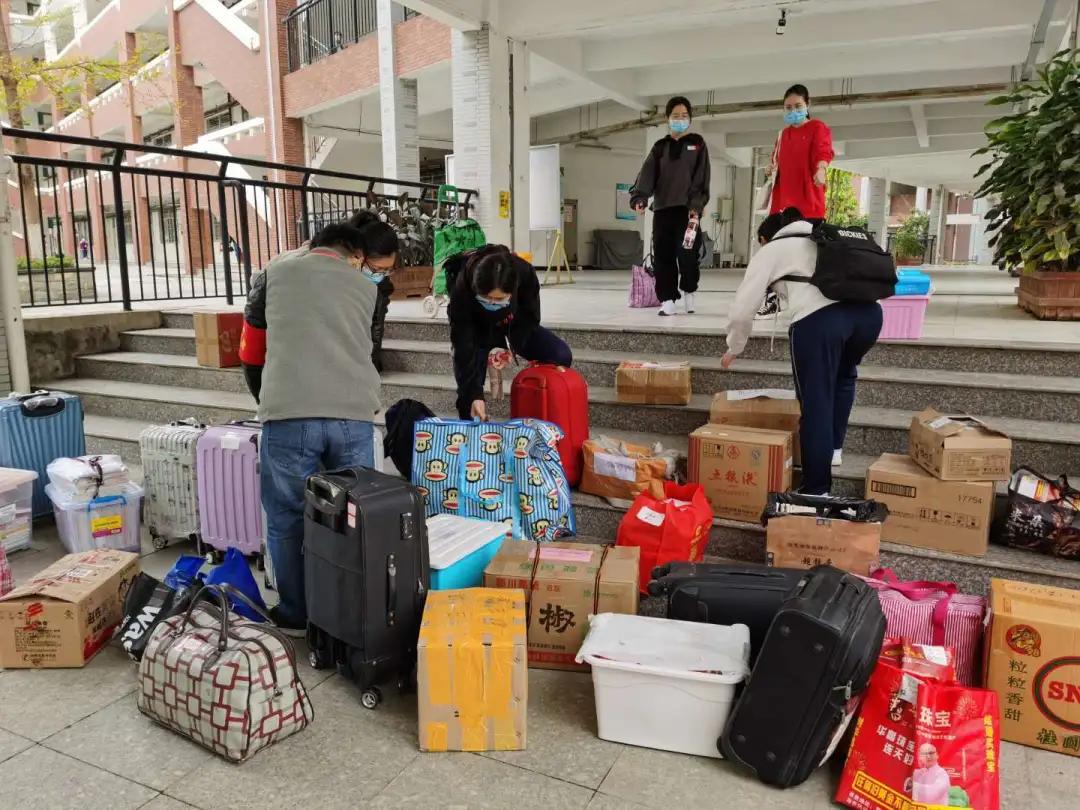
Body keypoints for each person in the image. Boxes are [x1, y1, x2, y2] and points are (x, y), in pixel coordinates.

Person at [242, 210, 398, 635]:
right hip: (352, 415)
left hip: (290, 413)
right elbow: (370, 349)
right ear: (354, 255)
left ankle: (296, 613)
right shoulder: (371, 288)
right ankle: (346, 611)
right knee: (352, 514)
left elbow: (251, 350)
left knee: (289, 515)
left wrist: (269, 401)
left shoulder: (274, 272)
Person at [721, 207, 882, 496]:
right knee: (844, 377)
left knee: (816, 401)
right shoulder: (826, 238)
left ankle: (817, 489)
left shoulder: (773, 249)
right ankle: (832, 451)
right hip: (869, 316)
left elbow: (743, 307)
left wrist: (735, 346)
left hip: (821, 322)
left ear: (763, 237)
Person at [447, 244, 571, 421]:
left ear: (513, 291)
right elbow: (463, 347)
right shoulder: (462, 289)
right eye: (486, 298)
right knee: (469, 396)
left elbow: (531, 317)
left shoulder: (524, 273)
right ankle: (471, 429)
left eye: (499, 299)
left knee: (560, 354)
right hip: (478, 328)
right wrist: (474, 395)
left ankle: (543, 420)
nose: (492, 302)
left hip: (514, 322)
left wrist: (514, 344)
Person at [630, 96, 711, 316]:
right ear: (667, 118)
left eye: (684, 116)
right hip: (663, 210)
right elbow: (647, 175)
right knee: (663, 256)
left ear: (690, 119)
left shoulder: (698, 144)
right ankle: (667, 299)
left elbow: (701, 178)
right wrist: (640, 197)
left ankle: (689, 291)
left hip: (688, 211)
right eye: (675, 116)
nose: (680, 119)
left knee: (687, 255)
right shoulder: (660, 147)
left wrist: (697, 205)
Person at [766, 84, 834, 224]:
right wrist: (770, 169)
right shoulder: (783, 134)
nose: (793, 110)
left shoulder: (817, 127)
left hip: (810, 208)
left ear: (807, 104)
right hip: (783, 209)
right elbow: (775, 161)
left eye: (798, 106)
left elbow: (824, 151)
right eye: (788, 107)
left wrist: (821, 169)